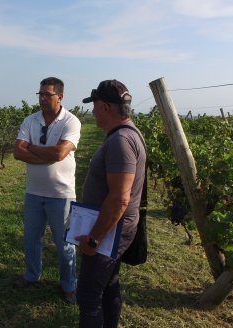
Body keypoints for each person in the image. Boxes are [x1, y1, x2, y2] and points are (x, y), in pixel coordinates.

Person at [75, 79, 146, 327]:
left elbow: (119, 198)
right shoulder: (125, 135)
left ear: (105, 106)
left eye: (94, 105)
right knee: (108, 285)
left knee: (88, 295)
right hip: (112, 228)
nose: (92, 111)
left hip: (109, 230)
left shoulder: (121, 141)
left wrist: (94, 239)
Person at [13, 76, 81, 304]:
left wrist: (32, 149)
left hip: (61, 195)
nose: (42, 98)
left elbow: (59, 154)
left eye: (47, 95)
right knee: (31, 239)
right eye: (40, 94)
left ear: (59, 97)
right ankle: (32, 275)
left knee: (65, 245)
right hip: (33, 192)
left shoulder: (71, 122)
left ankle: (69, 285)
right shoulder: (30, 120)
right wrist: (46, 153)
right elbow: (17, 152)